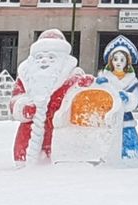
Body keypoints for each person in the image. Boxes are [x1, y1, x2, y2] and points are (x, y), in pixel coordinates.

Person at [9, 29, 93, 164]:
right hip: (29, 137)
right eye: (40, 57)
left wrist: (85, 87)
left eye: (51, 57)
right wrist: (23, 107)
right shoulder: (25, 77)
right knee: (25, 170)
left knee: (57, 168)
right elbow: (15, 99)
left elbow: (82, 100)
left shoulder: (73, 76)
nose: (44, 61)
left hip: (60, 132)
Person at [94, 35, 138, 159]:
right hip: (107, 116)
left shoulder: (131, 81)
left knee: (126, 137)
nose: (118, 63)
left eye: (122, 60)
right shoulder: (105, 79)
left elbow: (137, 98)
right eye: (115, 59)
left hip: (125, 118)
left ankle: (129, 155)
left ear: (127, 62)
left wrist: (128, 98)